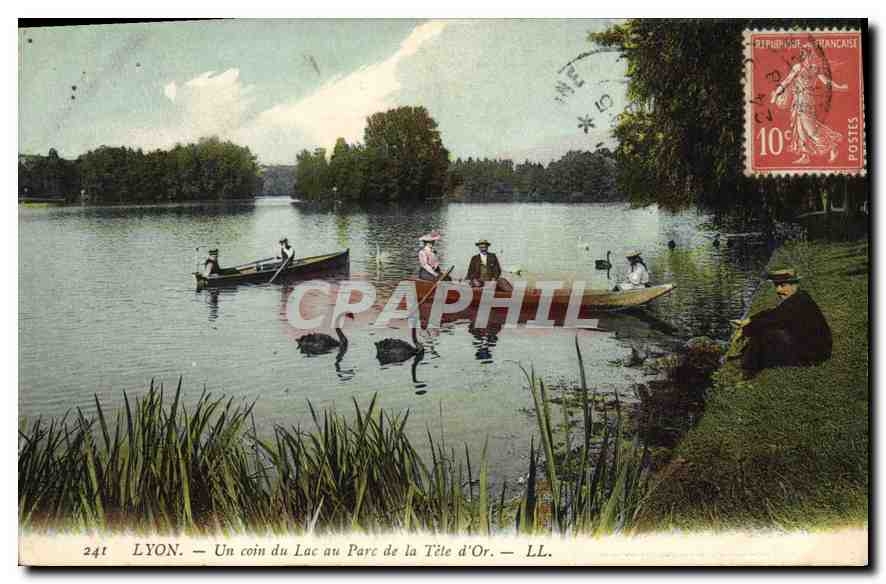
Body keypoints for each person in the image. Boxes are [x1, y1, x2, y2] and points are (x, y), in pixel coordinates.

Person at [733, 269, 832, 377]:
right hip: (817, 348)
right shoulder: (800, 296)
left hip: (813, 354)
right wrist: (749, 320)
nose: (778, 290)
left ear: (794, 284)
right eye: (776, 285)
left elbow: (771, 320)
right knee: (766, 328)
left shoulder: (795, 304)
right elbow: (773, 312)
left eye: (782, 285)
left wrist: (745, 330)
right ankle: (748, 360)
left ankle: (748, 369)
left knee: (764, 332)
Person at [770, 43, 848, 165]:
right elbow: (786, 82)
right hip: (797, 102)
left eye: (806, 52)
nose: (804, 54)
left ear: (809, 53)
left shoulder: (814, 68)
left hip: (807, 101)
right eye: (804, 52)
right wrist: (776, 94)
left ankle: (833, 147)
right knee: (800, 129)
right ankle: (805, 155)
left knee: (811, 130)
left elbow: (826, 82)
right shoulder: (797, 67)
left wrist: (839, 87)